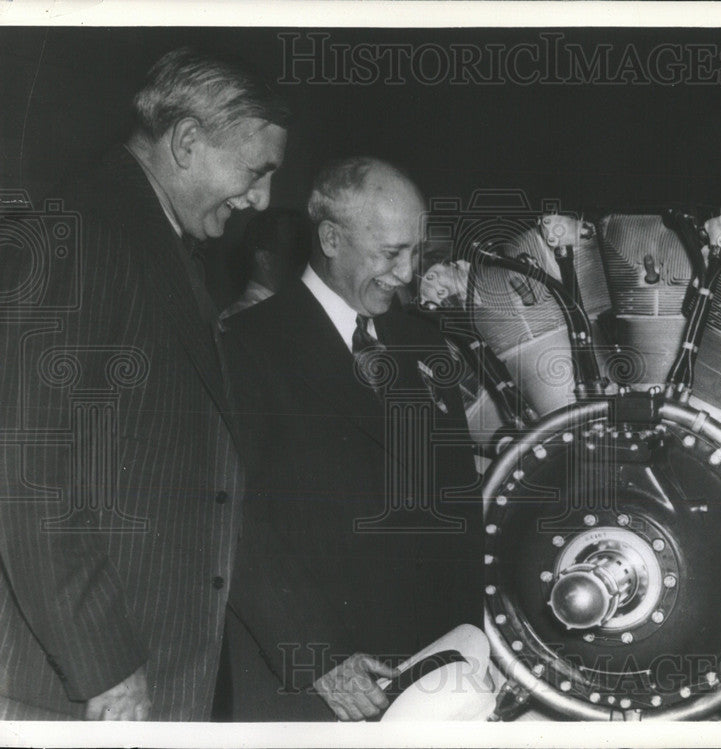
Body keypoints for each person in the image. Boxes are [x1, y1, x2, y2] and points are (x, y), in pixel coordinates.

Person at [0, 47, 289, 720]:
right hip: (79, 695)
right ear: (187, 142)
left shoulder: (144, 241)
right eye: (257, 171)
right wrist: (108, 672)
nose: (262, 200)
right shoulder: (80, 239)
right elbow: (27, 472)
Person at [222, 157, 483, 721]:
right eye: (392, 253)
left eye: (417, 252)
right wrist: (314, 658)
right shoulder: (243, 347)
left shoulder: (424, 341)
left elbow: (457, 506)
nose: (409, 274)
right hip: (322, 686)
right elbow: (231, 523)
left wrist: (473, 648)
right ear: (332, 239)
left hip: (436, 677)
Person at [221, 208, 310, 319]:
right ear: (265, 259)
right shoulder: (247, 316)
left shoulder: (281, 310)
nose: (303, 263)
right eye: (293, 252)